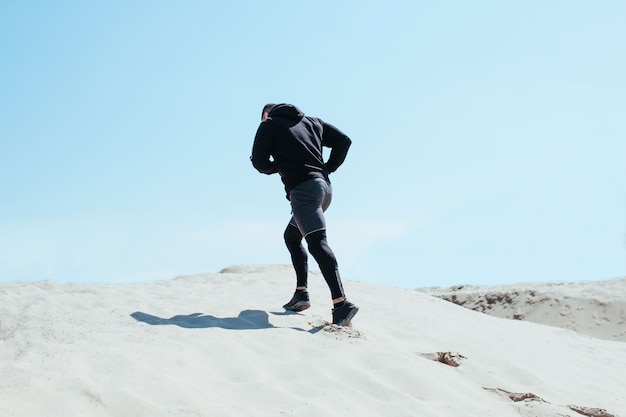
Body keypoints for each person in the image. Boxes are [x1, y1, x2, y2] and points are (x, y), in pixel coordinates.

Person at [250, 103, 359, 326]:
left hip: (304, 192)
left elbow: (260, 162)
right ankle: (301, 294)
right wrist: (327, 168)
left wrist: (277, 166)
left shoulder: (269, 124)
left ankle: (341, 304)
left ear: (266, 114)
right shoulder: (312, 122)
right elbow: (343, 141)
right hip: (324, 190)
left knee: (317, 243)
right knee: (291, 236)